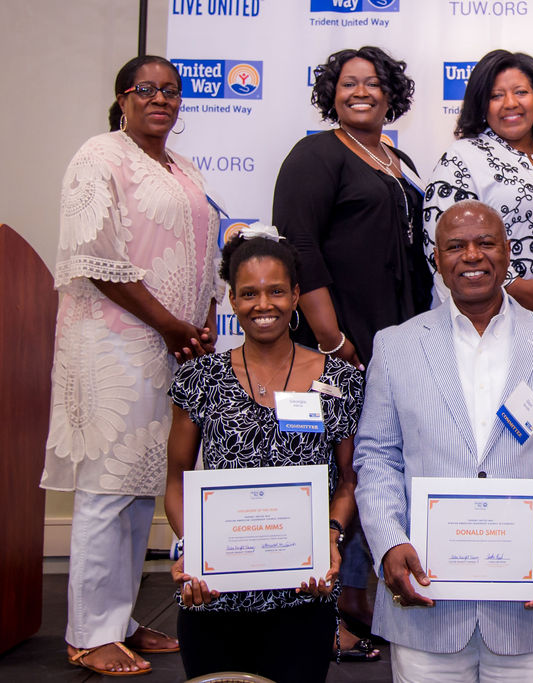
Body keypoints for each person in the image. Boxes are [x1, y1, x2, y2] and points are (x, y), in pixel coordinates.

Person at [354, 200, 533, 682]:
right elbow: (377, 455)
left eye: (486, 243)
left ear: (507, 254)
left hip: (530, 606)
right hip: (427, 602)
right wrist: (388, 542)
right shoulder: (395, 345)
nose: (472, 256)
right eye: (455, 246)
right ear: (437, 259)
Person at [41, 55, 221, 676]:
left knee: (139, 490)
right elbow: (94, 255)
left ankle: (115, 618)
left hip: (168, 348)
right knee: (105, 491)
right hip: (114, 343)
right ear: (123, 98)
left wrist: (204, 316)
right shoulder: (100, 156)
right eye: (146, 89)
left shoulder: (182, 166)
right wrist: (172, 323)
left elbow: (201, 252)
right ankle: (88, 633)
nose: (160, 99)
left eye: (171, 91)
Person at [273, 45, 432, 647]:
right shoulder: (316, 154)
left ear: (391, 94)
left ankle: (361, 598)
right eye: (347, 83)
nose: (359, 91)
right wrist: (332, 338)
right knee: (331, 469)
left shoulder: (399, 159)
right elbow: (299, 248)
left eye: (372, 83)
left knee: (377, 470)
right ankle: (326, 611)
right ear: (331, 94)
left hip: (396, 341)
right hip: (339, 342)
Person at [164, 228, 365, 682]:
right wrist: (190, 549)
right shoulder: (200, 379)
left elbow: (349, 479)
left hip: (303, 591)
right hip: (213, 593)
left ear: (296, 295)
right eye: (249, 293)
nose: (263, 304)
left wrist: (330, 539)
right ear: (232, 300)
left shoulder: (341, 382)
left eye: (276, 291)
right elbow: (176, 478)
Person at [423, 49, 533, 328]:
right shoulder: (462, 159)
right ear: (482, 105)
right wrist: (512, 287)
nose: (509, 103)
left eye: (520, 92)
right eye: (496, 96)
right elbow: (441, 243)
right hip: (489, 321)